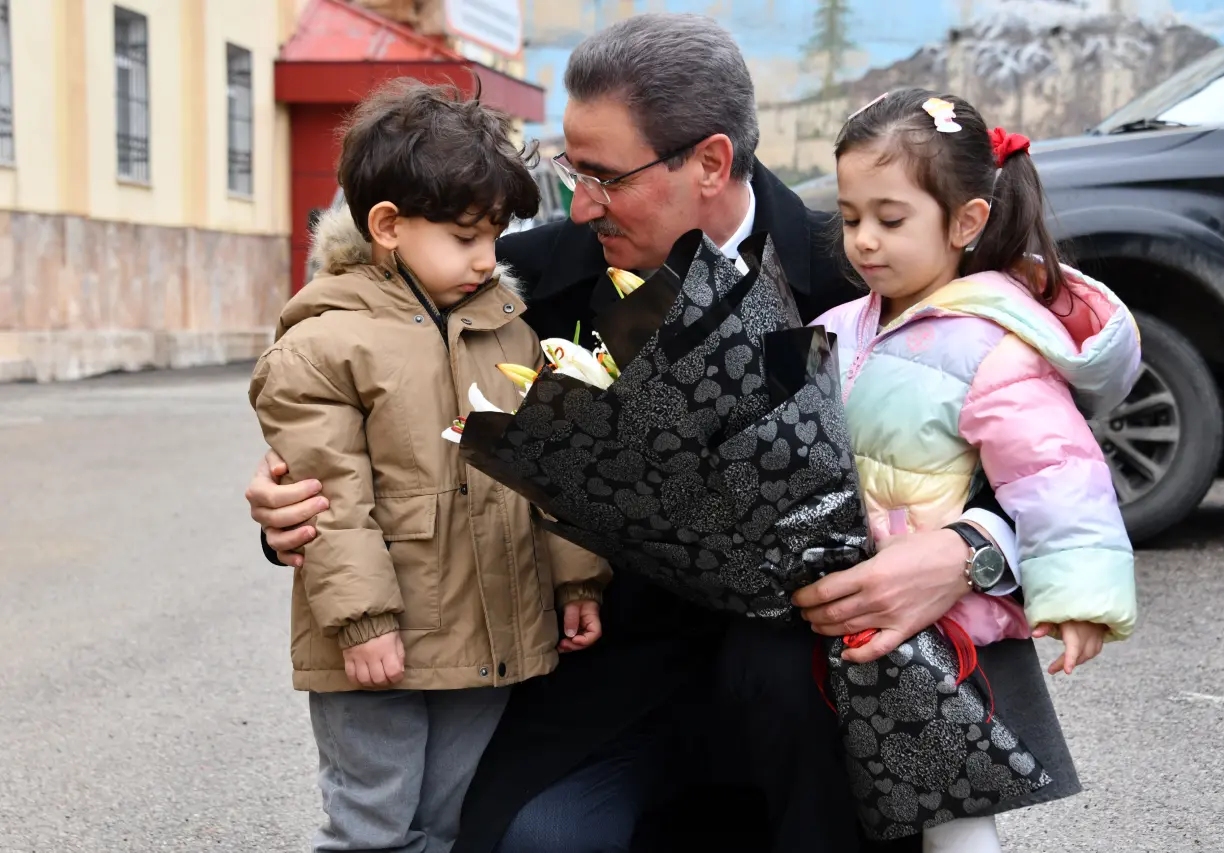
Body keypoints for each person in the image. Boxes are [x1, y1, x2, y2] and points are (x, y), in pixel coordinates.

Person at [246, 15, 1077, 853]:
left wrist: (966, 549)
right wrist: (290, 509)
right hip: (606, 681)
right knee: (540, 839)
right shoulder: (504, 281)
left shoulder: (864, 271)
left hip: (814, 687)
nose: (582, 203)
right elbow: (368, 409)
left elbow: (1053, 471)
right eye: (573, 169)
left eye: (606, 176)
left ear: (711, 162)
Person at [246, 80, 609, 853]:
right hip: (377, 641)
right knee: (371, 826)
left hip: (488, 628)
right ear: (387, 226)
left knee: (445, 826)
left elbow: (541, 470)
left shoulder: (505, 331)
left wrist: (575, 578)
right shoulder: (325, 344)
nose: (489, 257)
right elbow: (330, 499)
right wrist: (363, 620)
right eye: (465, 236)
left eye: (497, 234)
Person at [811, 88, 1139, 852]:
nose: (864, 241)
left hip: (947, 631)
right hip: (864, 612)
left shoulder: (993, 345)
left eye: (890, 220)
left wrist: (1080, 594)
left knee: (954, 807)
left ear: (966, 222)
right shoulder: (838, 326)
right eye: (851, 215)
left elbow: (1057, 472)